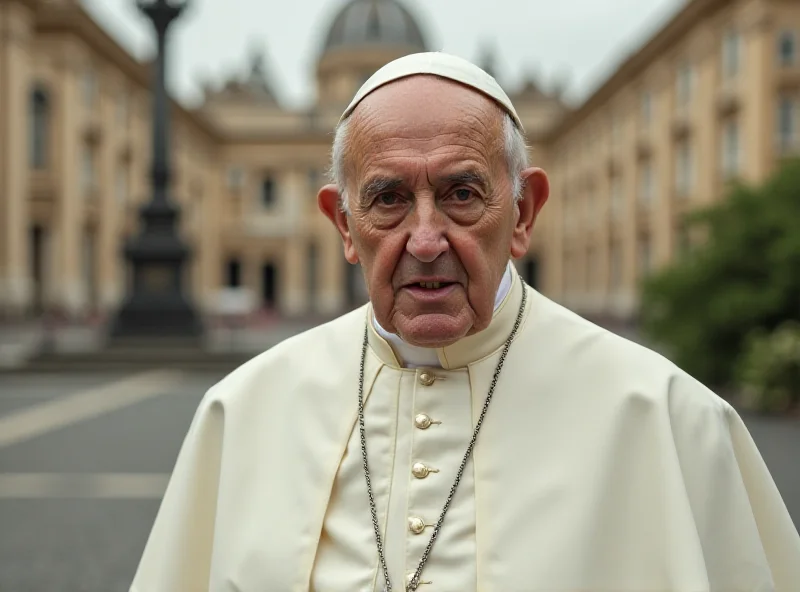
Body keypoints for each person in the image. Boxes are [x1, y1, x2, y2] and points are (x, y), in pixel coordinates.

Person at [130, 52, 800, 592]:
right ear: (342, 223)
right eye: (388, 199)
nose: (426, 240)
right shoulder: (242, 411)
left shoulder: (668, 416)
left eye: (461, 193)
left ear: (524, 211)